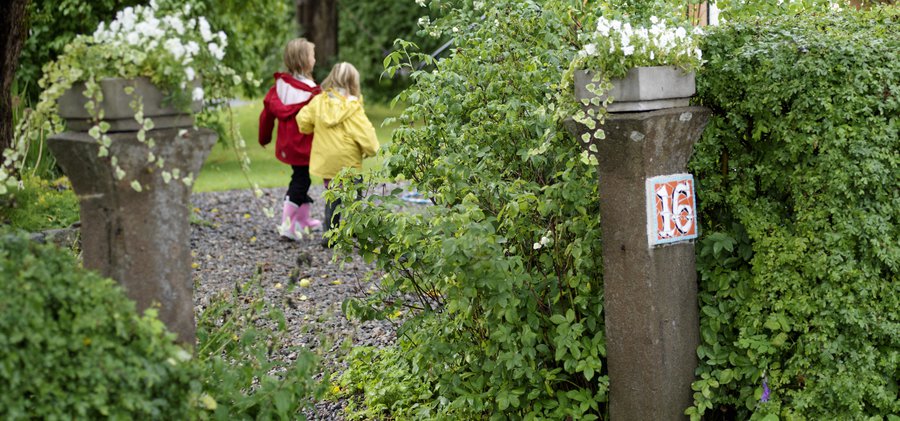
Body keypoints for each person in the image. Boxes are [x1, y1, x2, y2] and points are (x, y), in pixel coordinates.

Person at [297, 62, 379, 247]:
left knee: (332, 195)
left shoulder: (319, 102)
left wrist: (312, 127)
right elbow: (365, 133)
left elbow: (303, 120)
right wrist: (371, 149)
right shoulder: (352, 107)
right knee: (354, 196)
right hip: (349, 161)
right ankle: (355, 229)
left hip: (328, 161)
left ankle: (330, 234)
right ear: (353, 82)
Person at [258, 38, 322, 240]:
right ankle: (287, 227)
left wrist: (264, 137)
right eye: (312, 55)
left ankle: (303, 220)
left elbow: (266, 115)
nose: (315, 58)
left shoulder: (279, 87)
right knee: (301, 181)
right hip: (305, 146)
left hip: (287, 146)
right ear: (305, 61)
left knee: (300, 177)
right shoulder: (313, 93)